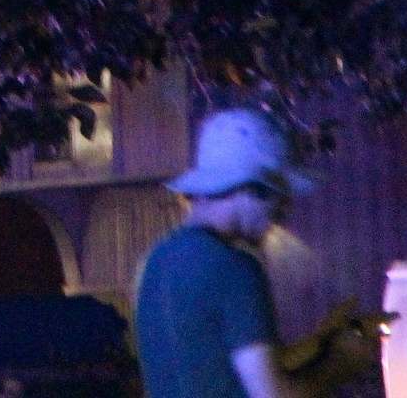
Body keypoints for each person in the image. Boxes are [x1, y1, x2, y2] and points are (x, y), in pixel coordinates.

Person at [134, 108, 379, 398]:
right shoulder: (236, 269)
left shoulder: (157, 261)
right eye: (280, 196)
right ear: (252, 189)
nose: (284, 213)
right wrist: (341, 363)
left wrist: (319, 342)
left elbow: (215, 369)